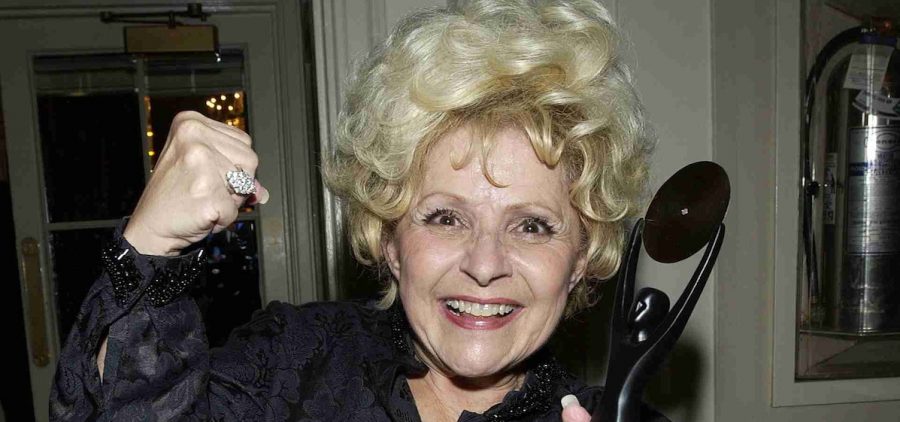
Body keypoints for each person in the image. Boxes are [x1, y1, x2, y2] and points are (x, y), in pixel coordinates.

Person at [49, 0, 664, 420]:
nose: (485, 264)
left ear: (581, 257)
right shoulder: (292, 366)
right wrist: (153, 243)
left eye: (532, 225)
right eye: (445, 217)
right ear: (390, 240)